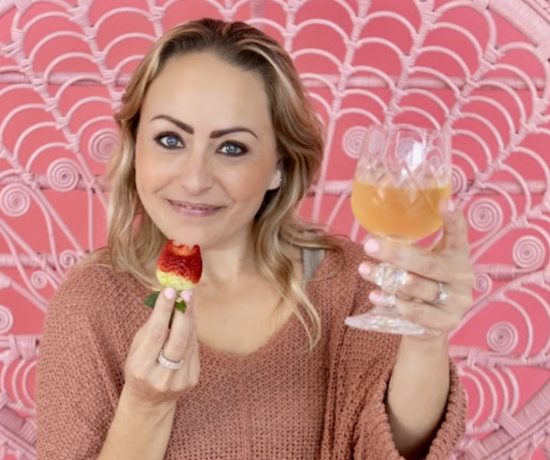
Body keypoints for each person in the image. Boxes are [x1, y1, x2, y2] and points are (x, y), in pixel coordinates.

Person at [36, 18, 473, 460]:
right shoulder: (90, 305)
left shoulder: (353, 286)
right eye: (170, 139)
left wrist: (426, 338)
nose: (194, 179)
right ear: (135, 149)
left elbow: (397, 451)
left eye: (231, 148)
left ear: (279, 166)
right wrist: (146, 405)